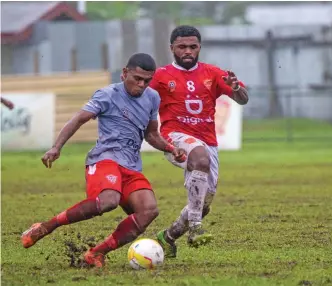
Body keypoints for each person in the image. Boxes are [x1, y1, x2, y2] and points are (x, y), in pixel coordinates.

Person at [20, 53, 186, 267]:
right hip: (104, 160)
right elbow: (79, 118)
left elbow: (152, 134)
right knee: (109, 201)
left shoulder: (152, 97)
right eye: (137, 78)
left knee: (149, 210)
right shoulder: (107, 94)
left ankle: (96, 253)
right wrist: (56, 147)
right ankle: (45, 227)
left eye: (147, 80)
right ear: (124, 73)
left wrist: (172, 148)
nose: (142, 84)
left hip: (131, 166)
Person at [148, 25, 249, 258]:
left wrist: (236, 89)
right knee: (200, 159)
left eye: (193, 47)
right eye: (182, 46)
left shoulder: (213, 73)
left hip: (208, 141)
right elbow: (139, 99)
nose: (187, 51)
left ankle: (168, 236)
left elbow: (242, 99)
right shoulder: (161, 76)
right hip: (174, 137)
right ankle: (195, 229)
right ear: (172, 48)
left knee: (202, 204)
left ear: (199, 47)